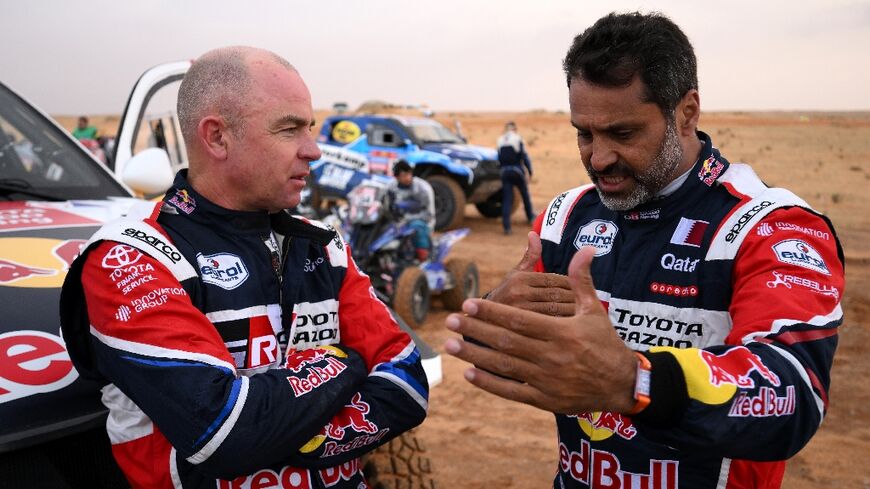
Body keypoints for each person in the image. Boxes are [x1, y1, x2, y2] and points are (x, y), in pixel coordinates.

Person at [444, 12, 843, 489]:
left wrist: (635, 382)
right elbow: (507, 355)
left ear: (687, 112)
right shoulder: (567, 216)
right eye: (584, 134)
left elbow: (793, 395)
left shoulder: (770, 226)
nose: (599, 158)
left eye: (623, 133)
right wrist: (496, 314)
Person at [59, 46, 428, 489]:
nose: (313, 151)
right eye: (289, 129)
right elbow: (225, 435)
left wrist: (287, 435)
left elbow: (407, 387)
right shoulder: (130, 257)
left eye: (309, 128)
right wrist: (347, 362)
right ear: (216, 137)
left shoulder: (322, 244)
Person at [388, 159, 435, 261]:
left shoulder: (423, 188)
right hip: (398, 220)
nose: (407, 178)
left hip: (422, 221)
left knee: (415, 226)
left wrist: (407, 219)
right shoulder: (391, 187)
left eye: (408, 174)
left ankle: (423, 254)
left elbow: (429, 214)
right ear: (396, 177)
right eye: (403, 176)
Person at [496, 120, 536, 235]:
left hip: (504, 172)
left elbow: (498, 158)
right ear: (514, 129)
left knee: (507, 199)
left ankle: (506, 227)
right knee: (525, 195)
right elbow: (524, 157)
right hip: (517, 171)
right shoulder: (517, 138)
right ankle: (530, 217)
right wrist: (529, 170)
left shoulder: (500, 140)